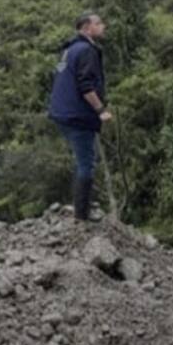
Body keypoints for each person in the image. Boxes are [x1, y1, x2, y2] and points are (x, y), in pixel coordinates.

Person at [48, 12, 112, 220]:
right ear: (86, 28)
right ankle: (82, 214)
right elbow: (86, 86)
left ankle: (82, 204)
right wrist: (101, 110)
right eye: (98, 23)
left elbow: (59, 75)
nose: (103, 26)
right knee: (87, 162)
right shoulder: (86, 50)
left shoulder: (68, 50)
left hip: (61, 112)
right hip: (77, 115)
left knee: (83, 159)